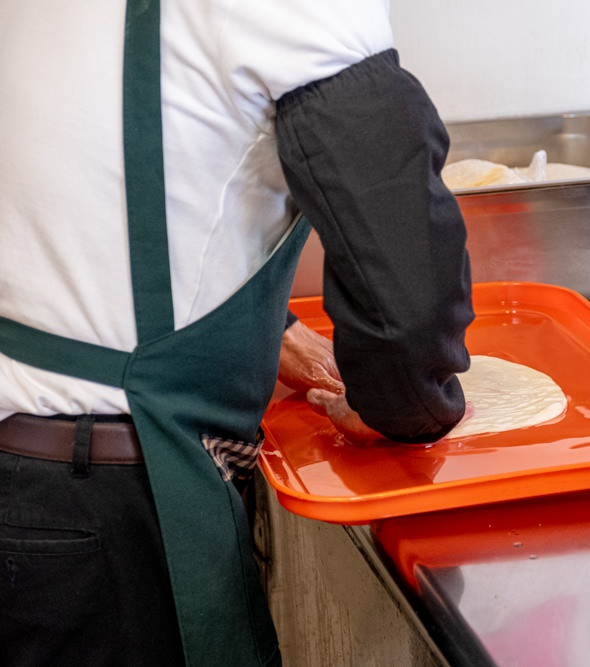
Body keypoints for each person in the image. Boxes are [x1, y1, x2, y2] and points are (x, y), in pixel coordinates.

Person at [0, 0, 472, 664]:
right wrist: (402, 402)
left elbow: (90, 177)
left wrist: (262, 327)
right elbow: (404, 279)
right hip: (108, 522)